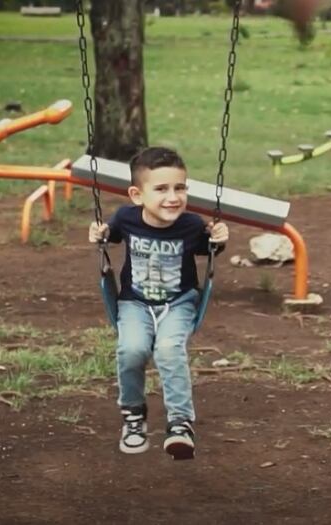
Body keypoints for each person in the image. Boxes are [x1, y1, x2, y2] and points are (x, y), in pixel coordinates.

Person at [88, 146, 229, 460]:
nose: (173, 197)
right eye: (161, 189)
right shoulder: (126, 217)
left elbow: (212, 249)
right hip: (135, 303)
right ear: (137, 195)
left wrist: (219, 238)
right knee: (132, 349)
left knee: (168, 349)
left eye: (180, 188)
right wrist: (99, 233)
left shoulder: (192, 225)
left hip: (178, 303)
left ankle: (180, 422)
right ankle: (134, 416)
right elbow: (107, 236)